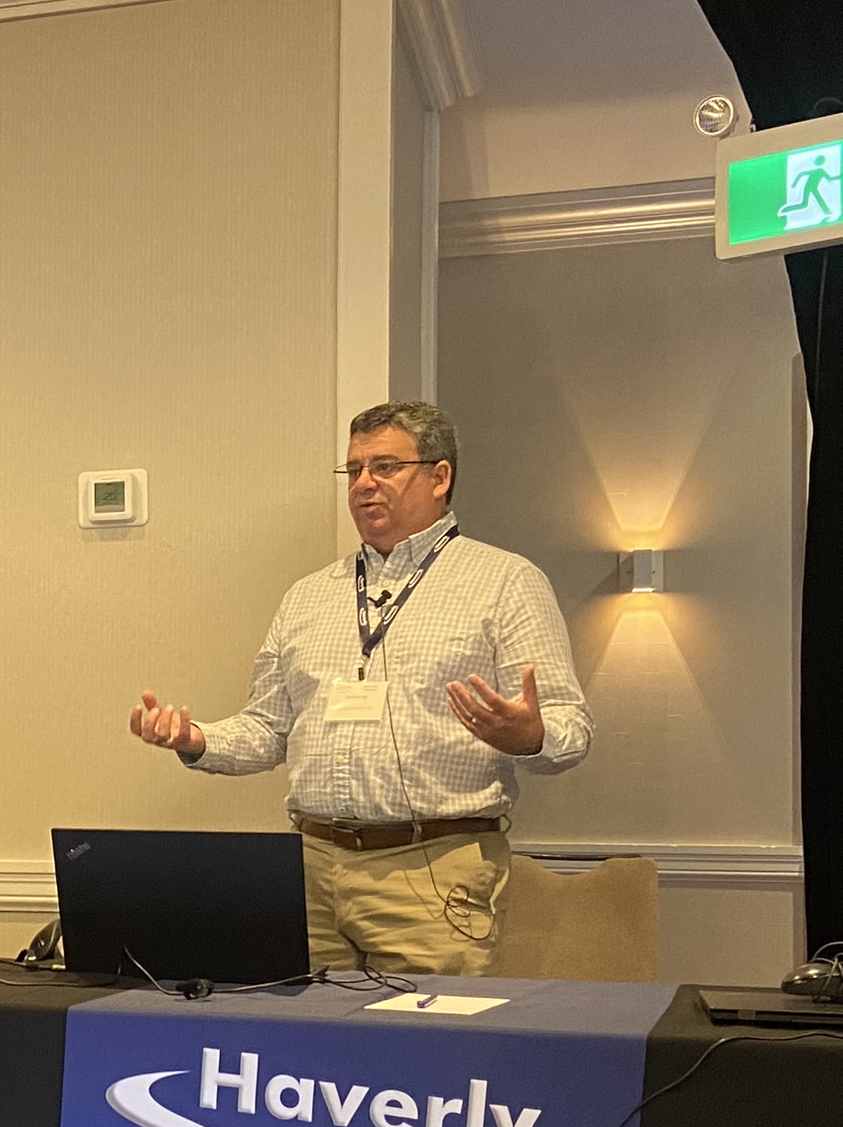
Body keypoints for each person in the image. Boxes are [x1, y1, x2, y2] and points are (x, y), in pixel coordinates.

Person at [128, 401, 591, 974]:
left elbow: (571, 731)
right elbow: (268, 729)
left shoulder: (505, 582)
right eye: (354, 470)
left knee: (420, 1032)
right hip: (309, 872)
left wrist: (529, 737)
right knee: (298, 1032)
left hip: (431, 869)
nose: (364, 484)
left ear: (439, 477)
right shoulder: (308, 596)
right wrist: (195, 739)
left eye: (385, 467)